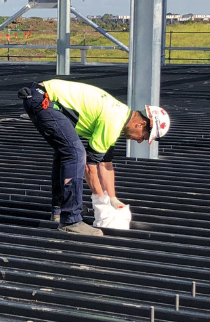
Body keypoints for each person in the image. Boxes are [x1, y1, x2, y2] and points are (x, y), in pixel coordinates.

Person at [18, 79, 170, 236]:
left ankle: (60, 210)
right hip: (44, 99)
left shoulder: (119, 115)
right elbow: (89, 167)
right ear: (141, 124)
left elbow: (106, 164)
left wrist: (112, 198)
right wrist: (100, 200)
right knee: (75, 154)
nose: (139, 141)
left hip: (41, 96)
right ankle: (71, 220)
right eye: (144, 137)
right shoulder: (113, 121)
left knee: (67, 152)